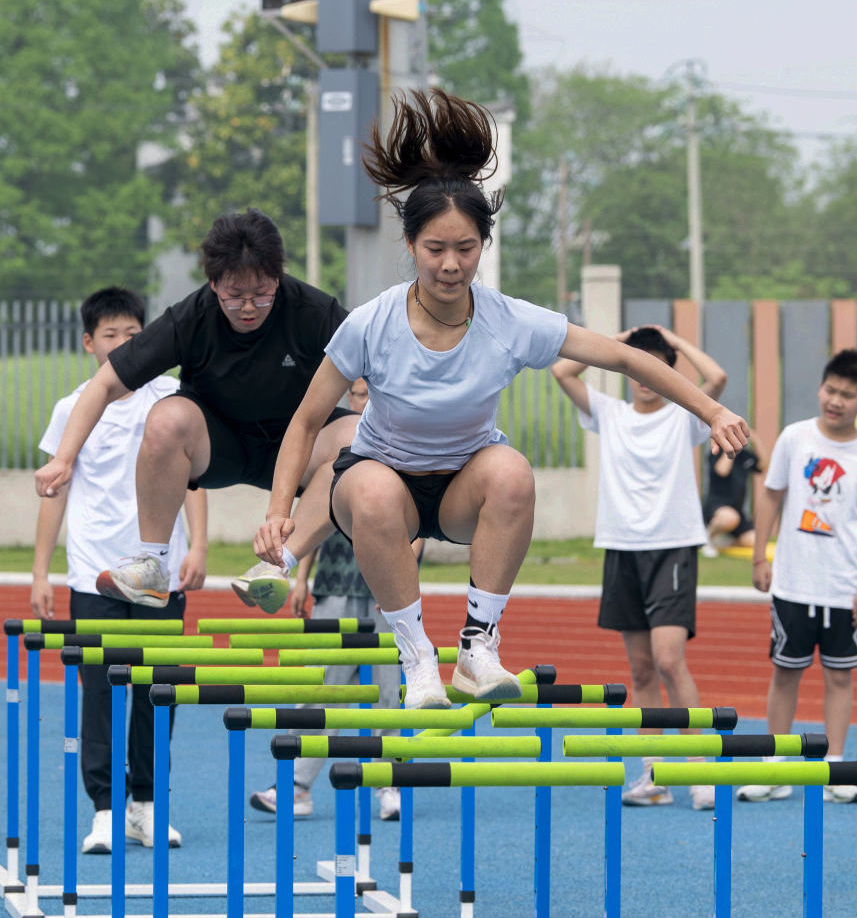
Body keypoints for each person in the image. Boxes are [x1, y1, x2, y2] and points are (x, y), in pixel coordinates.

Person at [253, 90, 749, 712]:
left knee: (513, 470)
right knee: (374, 489)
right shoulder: (372, 324)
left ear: (482, 246)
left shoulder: (510, 321)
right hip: (379, 493)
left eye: (465, 249)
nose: (451, 265)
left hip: (463, 489)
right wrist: (278, 511)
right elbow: (303, 422)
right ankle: (418, 661)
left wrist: (714, 410)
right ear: (410, 246)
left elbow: (623, 357)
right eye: (436, 249)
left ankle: (477, 648)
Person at [33, 209, 356, 614]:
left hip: (299, 445)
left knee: (357, 438)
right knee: (167, 417)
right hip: (219, 447)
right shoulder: (191, 317)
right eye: (234, 296)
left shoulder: (313, 310)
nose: (249, 307)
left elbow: (382, 373)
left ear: (278, 277)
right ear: (213, 282)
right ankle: (152, 563)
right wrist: (63, 458)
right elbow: (105, 383)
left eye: (261, 293)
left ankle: (277, 564)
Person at [31, 287, 208, 854]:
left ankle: (146, 805)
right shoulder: (74, 406)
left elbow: (193, 480)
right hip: (94, 574)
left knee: (159, 691)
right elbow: (54, 494)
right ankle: (105, 809)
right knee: (101, 694)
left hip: (158, 574)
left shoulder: (170, 399)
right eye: (112, 336)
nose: (125, 344)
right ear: (90, 343)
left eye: (135, 335)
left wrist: (199, 544)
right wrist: (40, 572)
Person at [552, 324, 730, 811]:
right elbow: (562, 368)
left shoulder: (684, 416)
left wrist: (673, 340)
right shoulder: (610, 414)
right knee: (642, 666)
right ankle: (653, 775)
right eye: (637, 366)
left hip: (673, 546)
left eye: (656, 366)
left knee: (671, 659)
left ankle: (698, 771)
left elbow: (717, 376)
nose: (645, 376)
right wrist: (621, 341)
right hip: (621, 547)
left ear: (668, 371)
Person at [249, 379, 409, 822]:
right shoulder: (339, 448)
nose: (364, 401)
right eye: (357, 394)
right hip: (335, 583)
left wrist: (400, 584)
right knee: (323, 685)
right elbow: (312, 519)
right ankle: (297, 786)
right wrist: (301, 578)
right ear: (349, 400)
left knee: (387, 692)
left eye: (372, 393)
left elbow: (415, 531)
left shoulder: (402, 447)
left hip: (383, 588)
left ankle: (388, 784)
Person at [741, 349, 857, 804]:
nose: (837, 401)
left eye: (848, 395)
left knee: (841, 678)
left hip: (843, 588)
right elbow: (771, 497)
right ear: (820, 387)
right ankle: (776, 767)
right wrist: (759, 557)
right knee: (785, 673)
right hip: (793, 583)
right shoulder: (795, 438)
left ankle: (835, 768)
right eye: (831, 390)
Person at [701, 432, 767, 557]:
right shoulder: (717, 452)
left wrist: (757, 441)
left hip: (737, 510)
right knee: (730, 518)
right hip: (717, 507)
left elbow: (763, 466)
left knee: (754, 540)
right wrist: (731, 448)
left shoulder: (744, 455)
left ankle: (725, 541)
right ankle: (707, 538)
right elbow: (722, 470)